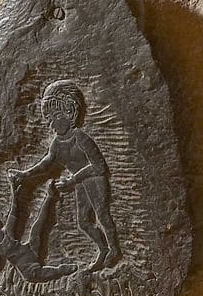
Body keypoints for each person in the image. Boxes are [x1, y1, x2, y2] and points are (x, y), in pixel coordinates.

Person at [9, 79, 122, 272]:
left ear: (69, 112)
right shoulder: (57, 143)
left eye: (55, 117)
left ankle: (114, 250)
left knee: (102, 215)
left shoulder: (81, 137)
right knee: (84, 222)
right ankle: (103, 250)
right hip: (81, 183)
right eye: (49, 119)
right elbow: (47, 163)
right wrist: (25, 174)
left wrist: (72, 180)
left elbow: (99, 166)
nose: (51, 124)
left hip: (94, 181)